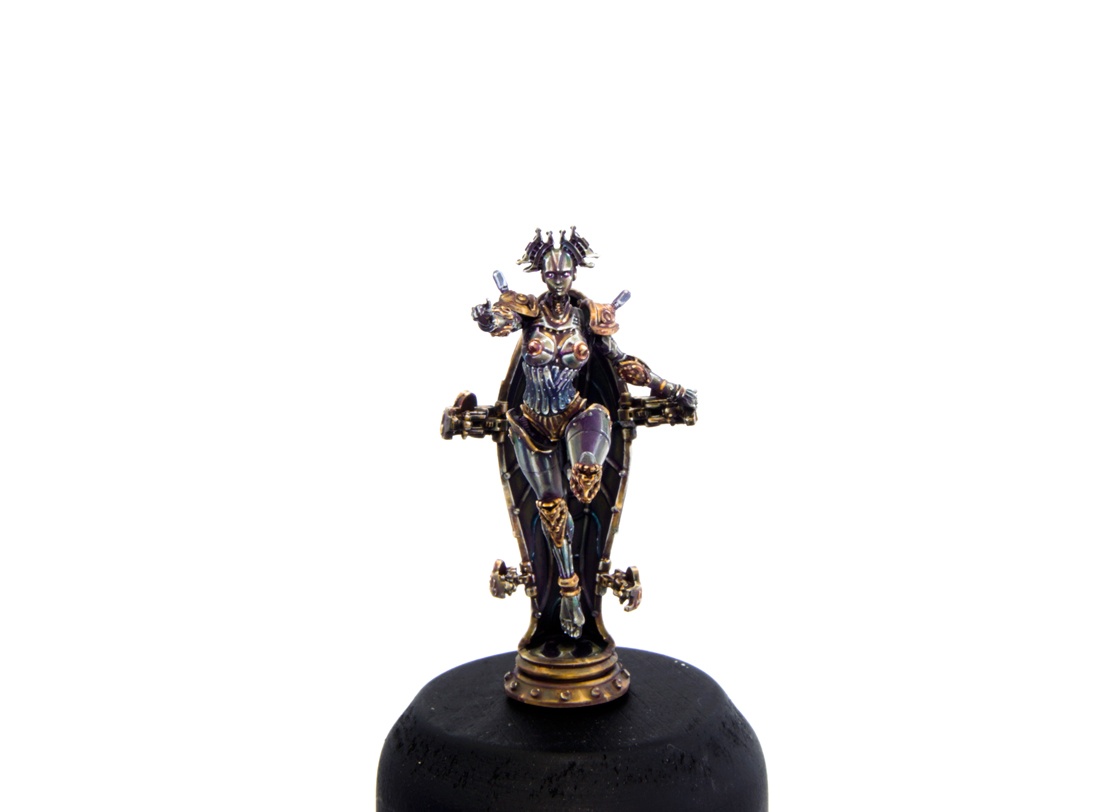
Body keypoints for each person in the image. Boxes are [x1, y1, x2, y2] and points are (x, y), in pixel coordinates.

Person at [471, 228, 697, 639]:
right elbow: (500, 322)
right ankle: (570, 590)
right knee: (553, 510)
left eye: (564, 273)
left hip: (577, 413)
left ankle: (586, 471)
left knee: (588, 470)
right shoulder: (528, 313)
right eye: (551, 273)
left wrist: (669, 388)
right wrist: (488, 317)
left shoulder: (589, 318)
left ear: (574, 273)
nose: (558, 280)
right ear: (541, 274)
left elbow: (623, 363)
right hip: (532, 423)